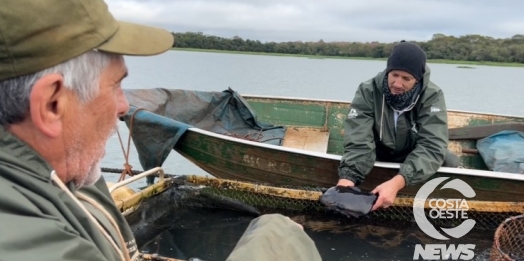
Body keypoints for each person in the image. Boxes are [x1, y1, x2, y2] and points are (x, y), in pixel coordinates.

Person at [0, 1, 321, 261]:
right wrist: (278, 235)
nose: (123, 106)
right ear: (52, 104)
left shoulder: (61, 168)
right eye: (115, 86)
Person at [337, 41, 460, 211]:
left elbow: (432, 145)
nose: (397, 84)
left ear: (417, 80)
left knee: (450, 160)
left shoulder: (432, 95)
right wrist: (346, 180)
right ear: (388, 71)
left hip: (409, 151)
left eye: (406, 78)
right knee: (351, 163)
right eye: (394, 75)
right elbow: (359, 139)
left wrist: (397, 183)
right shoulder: (368, 90)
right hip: (376, 148)